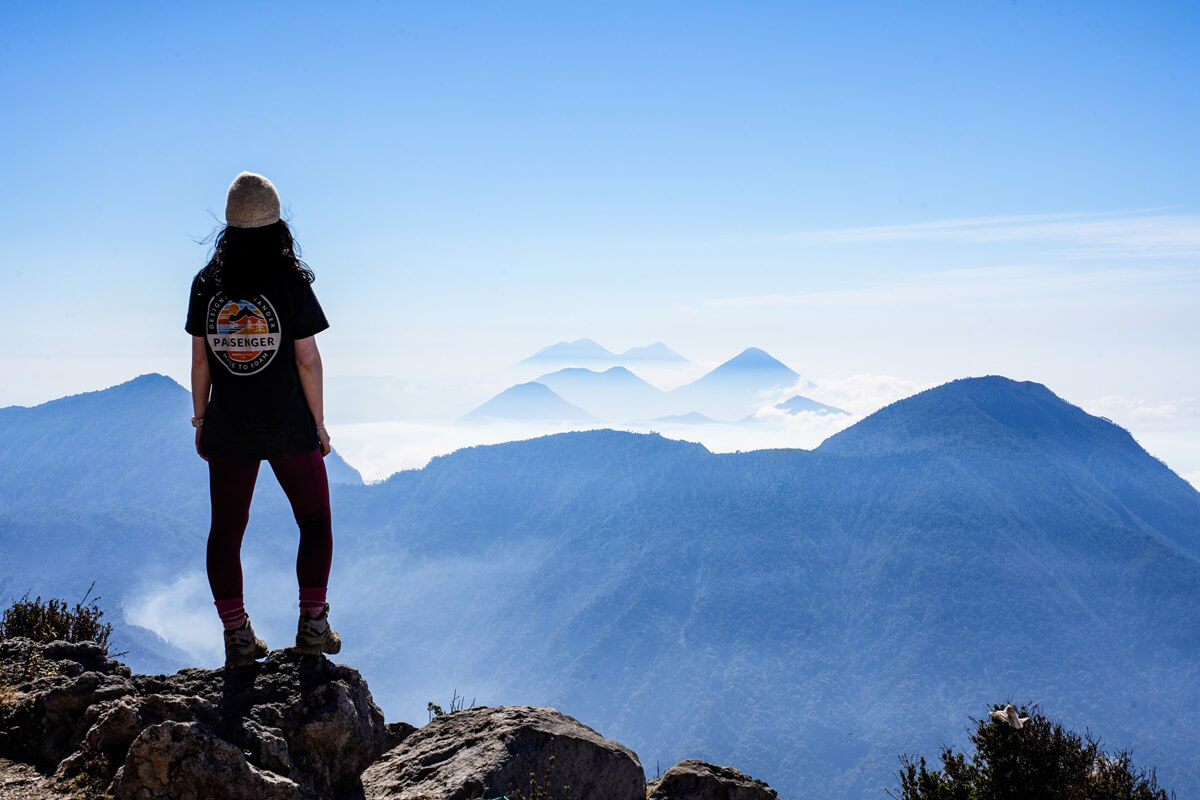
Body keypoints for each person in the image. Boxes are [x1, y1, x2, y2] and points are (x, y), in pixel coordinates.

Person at [186, 171, 341, 668]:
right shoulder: (290, 282)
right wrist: (318, 423)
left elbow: (202, 361)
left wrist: (201, 420)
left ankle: (237, 636)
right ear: (277, 225)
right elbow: (307, 360)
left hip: (230, 425)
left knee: (226, 531)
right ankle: (313, 625)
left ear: (228, 227)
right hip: (289, 425)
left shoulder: (207, 284)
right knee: (314, 520)